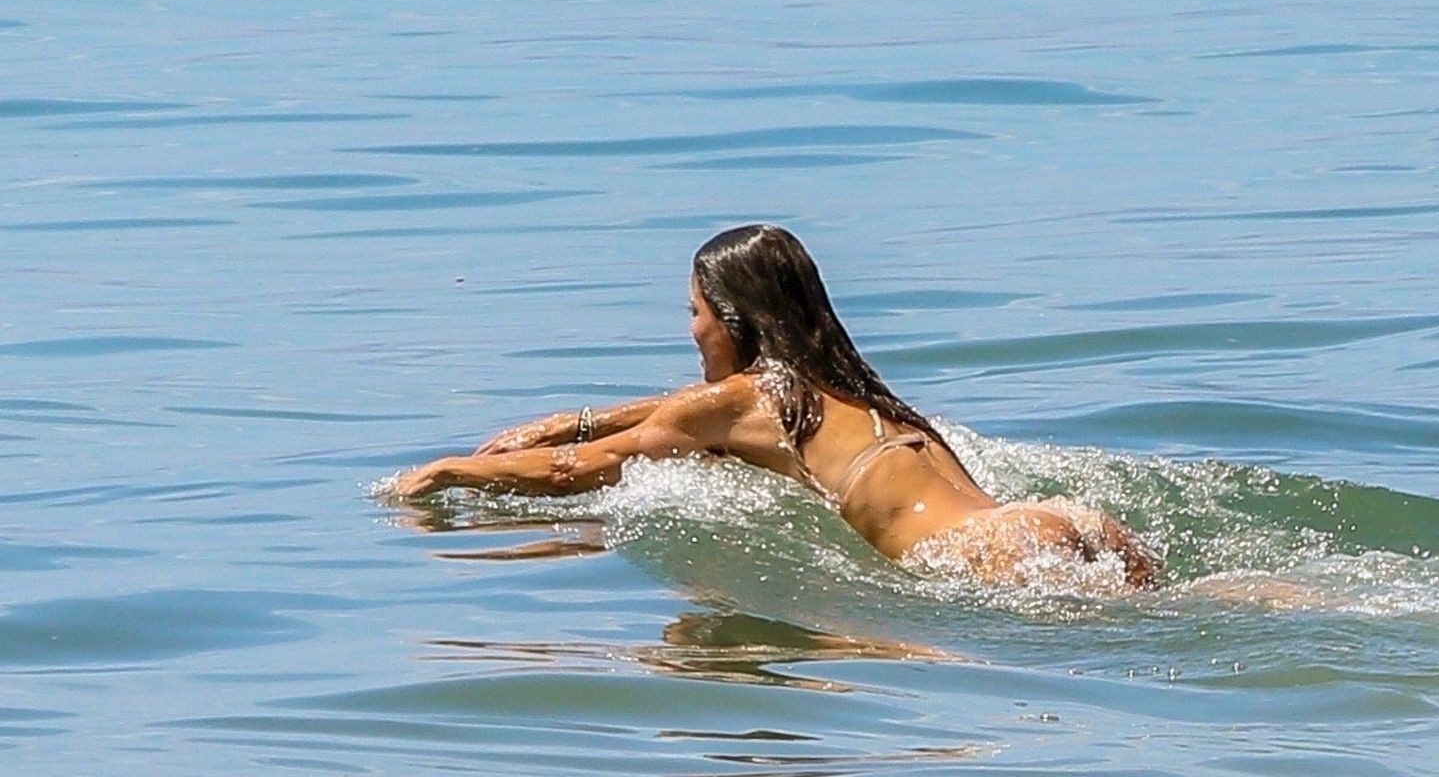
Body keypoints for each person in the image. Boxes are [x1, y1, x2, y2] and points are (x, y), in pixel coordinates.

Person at [391, 225, 1160, 590]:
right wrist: (576, 417)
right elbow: (690, 410)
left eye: (694, 312)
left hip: (975, 557)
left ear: (732, 321)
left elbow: (573, 474)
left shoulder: (747, 400)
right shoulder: (850, 388)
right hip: (1059, 521)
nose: (690, 331)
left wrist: (449, 471)